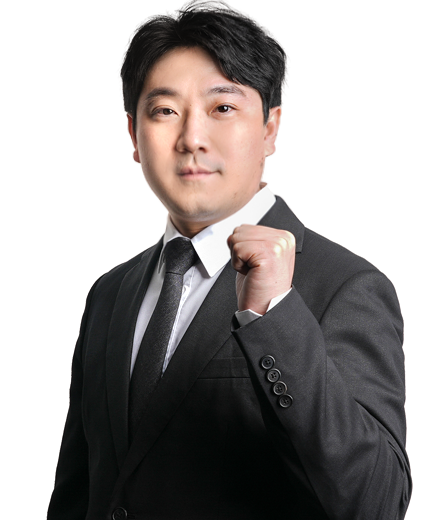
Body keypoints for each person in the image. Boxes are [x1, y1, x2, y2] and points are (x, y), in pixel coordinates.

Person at [47, 1, 412, 519]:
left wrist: (274, 317)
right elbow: (80, 493)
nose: (191, 139)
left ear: (270, 127)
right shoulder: (110, 294)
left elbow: (376, 502)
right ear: (132, 135)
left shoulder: (345, 286)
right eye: (164, 111)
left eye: (222, 108)